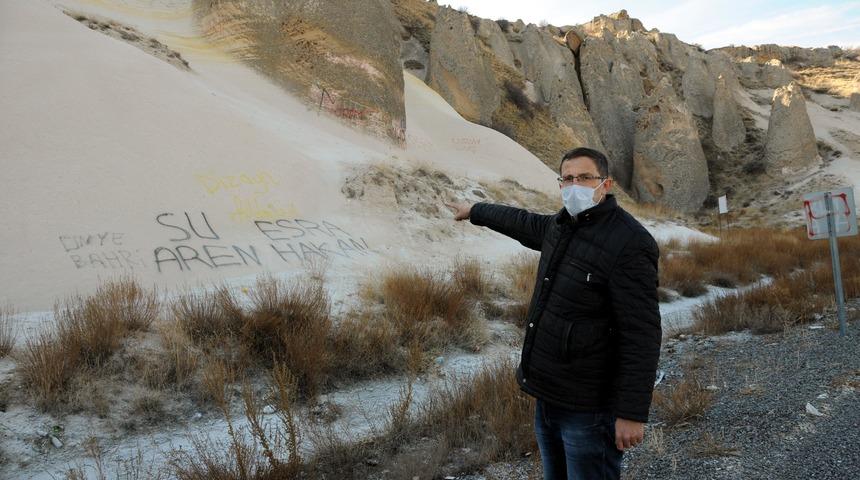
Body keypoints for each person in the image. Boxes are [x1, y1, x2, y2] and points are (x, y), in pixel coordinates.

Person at [445, 147, 661, 480]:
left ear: (606, 184)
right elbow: (522, 222)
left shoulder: (630, 243)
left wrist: (631, 414)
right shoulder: (562, 226)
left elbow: (642, 335)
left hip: (590, 407)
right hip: (548, 397)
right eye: (568, 178)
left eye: (584, 178)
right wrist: (475, 210)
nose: (575, 185)